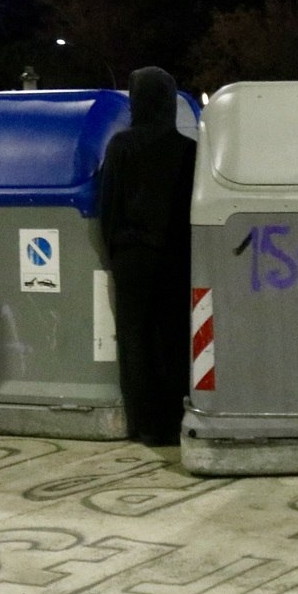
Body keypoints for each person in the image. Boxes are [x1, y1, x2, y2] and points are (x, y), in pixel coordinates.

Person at [99, 66, 196, 446]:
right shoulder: (188, 150)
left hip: (134, 257)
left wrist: (115, 250)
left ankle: (143, 424)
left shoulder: (121, 147)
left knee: (135, 339)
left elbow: (109, 207)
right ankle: (174, 418)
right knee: (172, 337)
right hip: (175, 258)